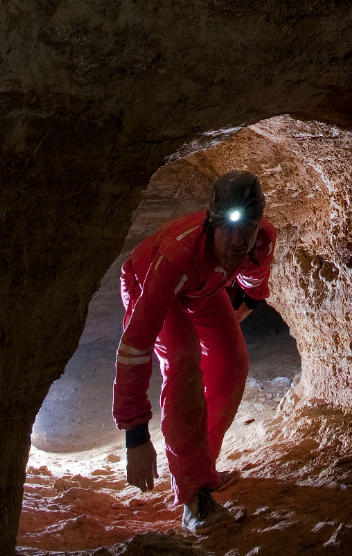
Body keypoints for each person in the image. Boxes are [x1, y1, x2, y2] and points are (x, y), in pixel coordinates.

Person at [112, 170, 276, 533]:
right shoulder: (178, 255)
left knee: (232, 363)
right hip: (154, 280)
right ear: (211, 223)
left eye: (247, 227)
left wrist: (235, 318)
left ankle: (201, 469)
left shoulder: (261, 240)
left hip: (203, 288)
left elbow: (253, 284)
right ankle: (194, 498)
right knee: (183, 359)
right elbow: (135, 344)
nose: (237, 239)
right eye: (228, 228)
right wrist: (135, 434)